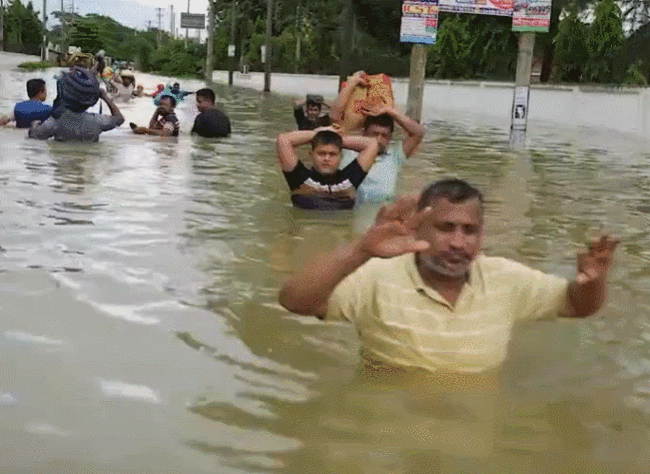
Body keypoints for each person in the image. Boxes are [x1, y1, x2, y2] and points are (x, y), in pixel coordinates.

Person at [279, 178, 619, 374]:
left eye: (469, 230)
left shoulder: (506, 278)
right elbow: (294, 301)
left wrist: (595, 281)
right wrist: (359, 250)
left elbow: (577, 306)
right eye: (445, 228)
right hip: (388, 431)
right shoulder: (377, 277)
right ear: (418, 225)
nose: (458, 243)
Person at [331, 71, 426, 204]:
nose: (379, 140)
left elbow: (418, 133)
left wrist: (390, 111)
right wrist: (352, 83)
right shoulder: (346, 150)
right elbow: (335, 117)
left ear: (390, 138)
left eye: (384, 136)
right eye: (374, 134)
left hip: (380, 219)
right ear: (363, 133)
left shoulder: (395, 157)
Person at [277, 127, 380, 210]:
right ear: (311, 155)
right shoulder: (299, 179)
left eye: (333, 154)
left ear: (340, 157)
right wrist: (319, 134)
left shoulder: (350, 180)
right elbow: (283, 140)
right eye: (321, 153)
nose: (326, 158)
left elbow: (372, 144)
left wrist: (334, 138)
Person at [29, 67, 124, 142]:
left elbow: (34, 135)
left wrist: (34, 125)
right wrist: (105, 97)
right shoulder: (98, 121)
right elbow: (119, 119)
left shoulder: (55, 121)